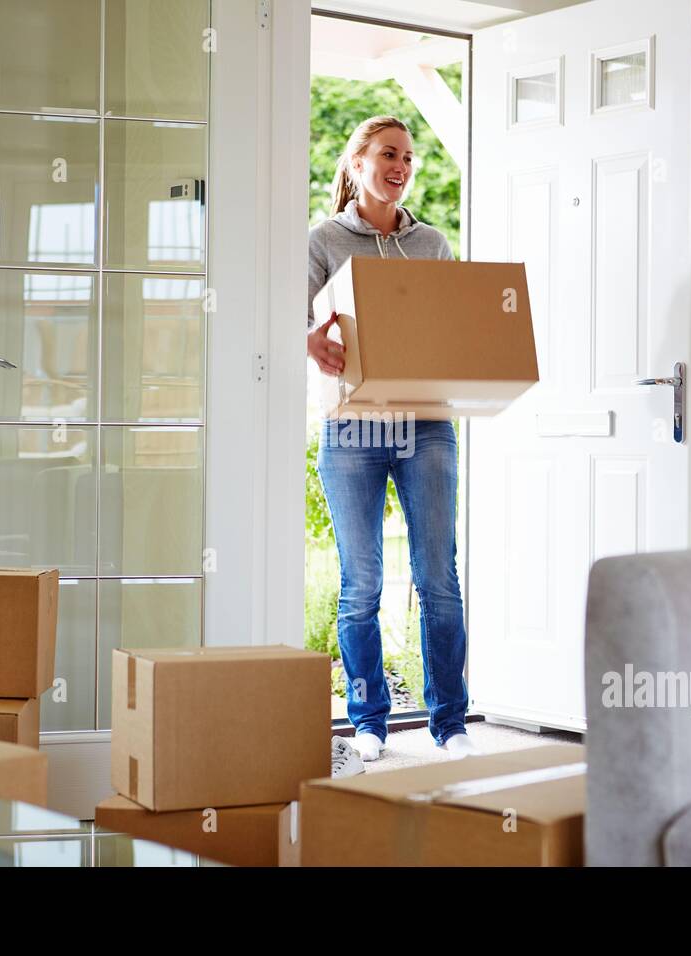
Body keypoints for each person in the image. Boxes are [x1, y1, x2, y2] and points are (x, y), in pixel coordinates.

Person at [307, 115, 479, 762]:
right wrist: (309, 338)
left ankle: (450, 720)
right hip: (353, 428)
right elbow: (289, 317)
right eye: (388, 154)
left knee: (438, 575)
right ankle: (368, 717)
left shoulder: (431, 243)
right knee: (362, 584)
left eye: (409, 156)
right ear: (356, 163)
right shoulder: (323, 240)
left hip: (426, 424)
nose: (401, 166)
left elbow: (458, 323)